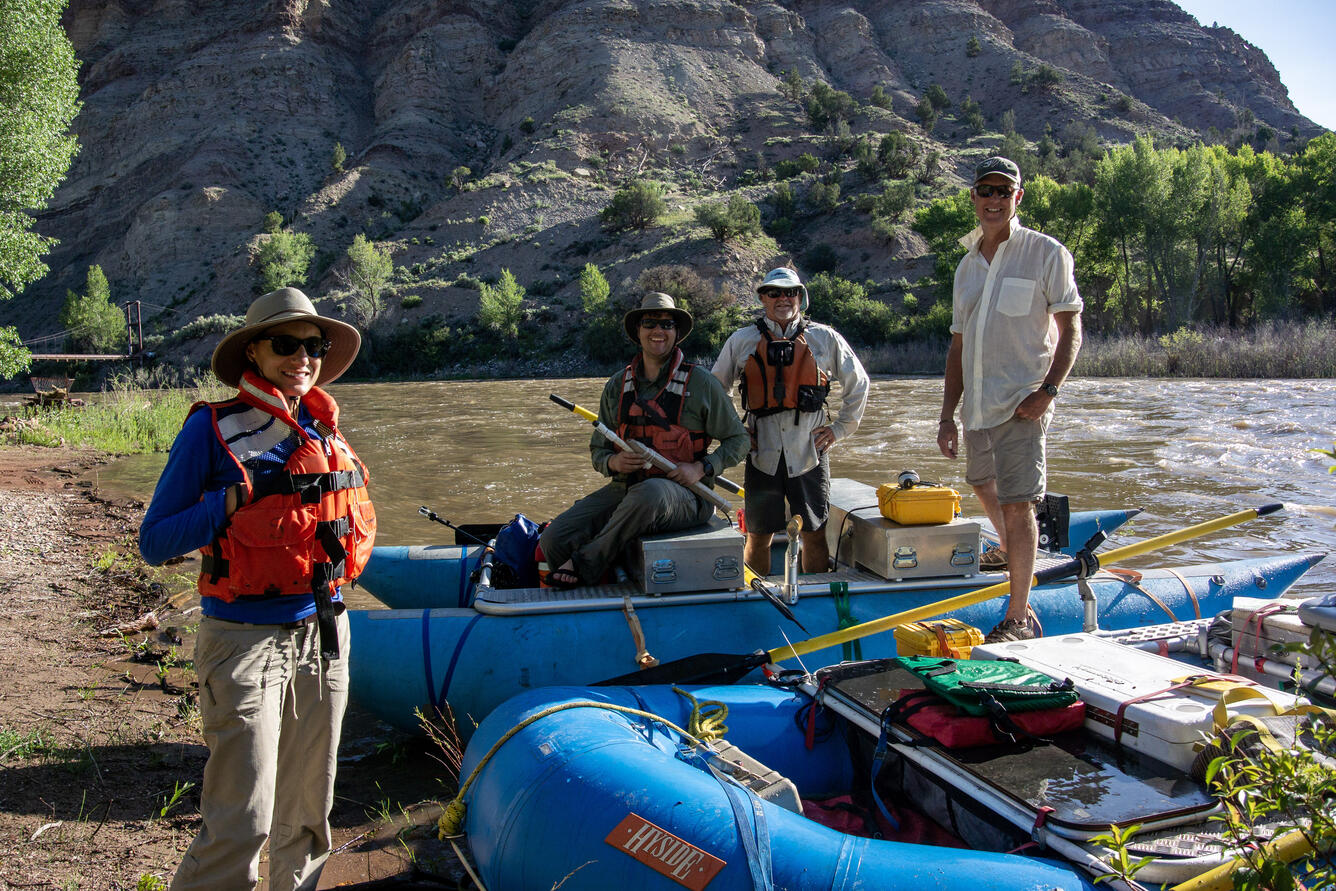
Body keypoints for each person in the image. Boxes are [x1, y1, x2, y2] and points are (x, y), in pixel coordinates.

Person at [139, 287, 375, 891]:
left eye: (313, 345)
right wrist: (230, 502)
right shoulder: (211, 429)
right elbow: (156, 540)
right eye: (285, 344)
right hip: (243, 641)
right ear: (254, 352)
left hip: (325, 634)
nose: (302, 357)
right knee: (241, 820)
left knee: (307, 815)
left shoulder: (324, 429)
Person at [936, 156, 1083, 643]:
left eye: (1004, 191)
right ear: (973, 198)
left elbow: (1071, 329)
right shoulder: (965, 265)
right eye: (986, 190)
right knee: (980, 480)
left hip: (1024, 400)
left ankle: (1019, 618)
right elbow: (958, 343)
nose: (994, 199)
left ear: (1018, 197)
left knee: (1020, 503)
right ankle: (1008, 547)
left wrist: (1048, 391)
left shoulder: (1046, 252)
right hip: (977, 403)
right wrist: (946, 415)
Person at [541, 293, 749, 588]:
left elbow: (739, 440)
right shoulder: (617, 385)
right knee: (554, 538)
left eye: (666, 324)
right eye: (649, 323)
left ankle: (585, 564)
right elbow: (598, 450)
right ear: (637, 332)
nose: (658, 330)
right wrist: (614, 462)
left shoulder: (702, 383)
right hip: (626, 489)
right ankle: (599, 590)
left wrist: (701, 467)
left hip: (690, 497)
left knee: (649, 493)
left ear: (676, 333)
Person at [712, 267, 869, 574]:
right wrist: (735, 432)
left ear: (800, 296)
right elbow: (717, 390)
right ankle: (758, 599)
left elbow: (859, 383)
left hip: (809, 454)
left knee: (814, 535)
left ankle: (814, 598)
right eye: (774, 292)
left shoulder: (825, 338)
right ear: (762, 298)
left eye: (790, 292)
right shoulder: (741, 340)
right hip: (761, 456)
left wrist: (839, 429)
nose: (783, 298)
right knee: (758, 537)